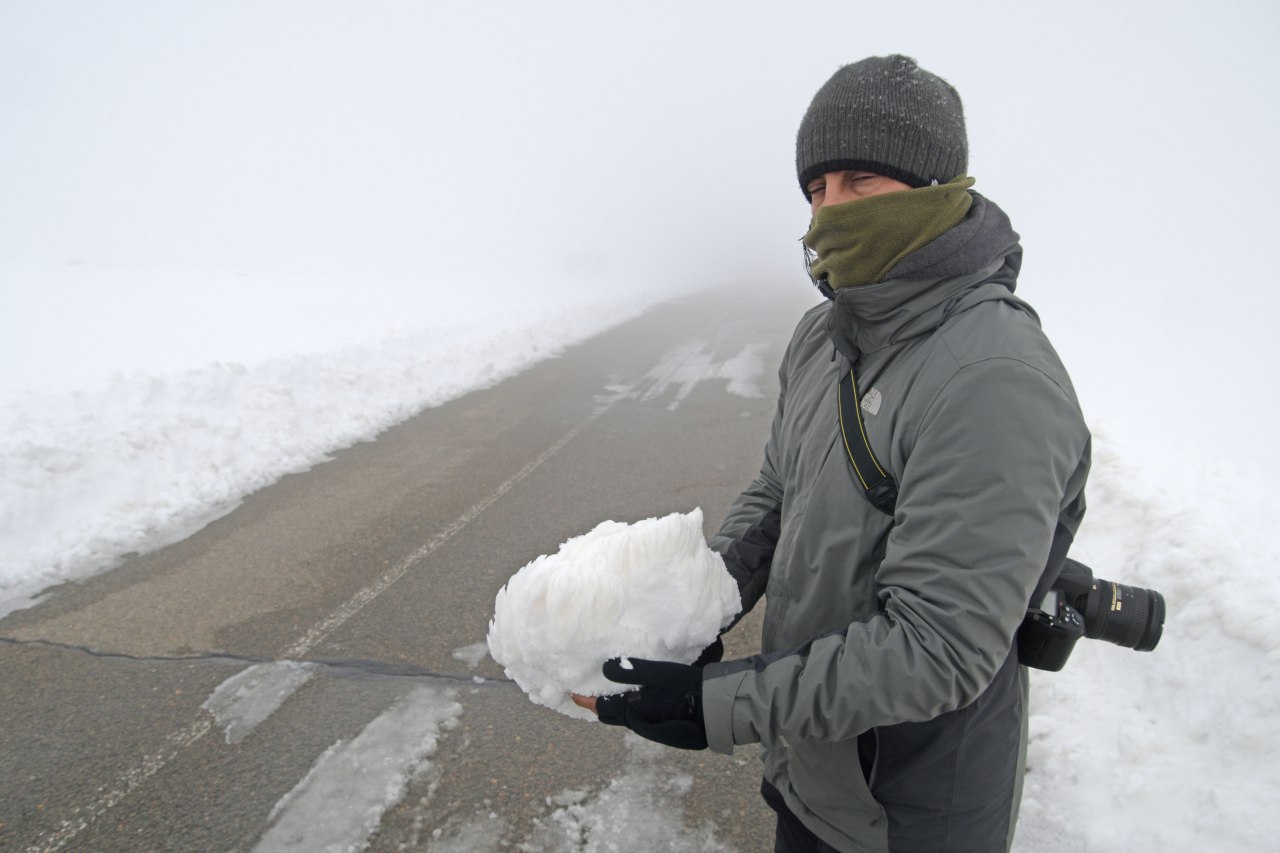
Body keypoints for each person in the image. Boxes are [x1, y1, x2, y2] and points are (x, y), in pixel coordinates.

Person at [572, 54, 1090, 852]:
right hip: (813, 770)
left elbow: (937, 648)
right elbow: (781, 492)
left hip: (907, 813)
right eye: (815, 189)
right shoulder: (823, 335)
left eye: (859, 181)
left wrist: (715, 704)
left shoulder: (993, 376)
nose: (829, 210)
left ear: (933, 186)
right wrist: (699, 604)